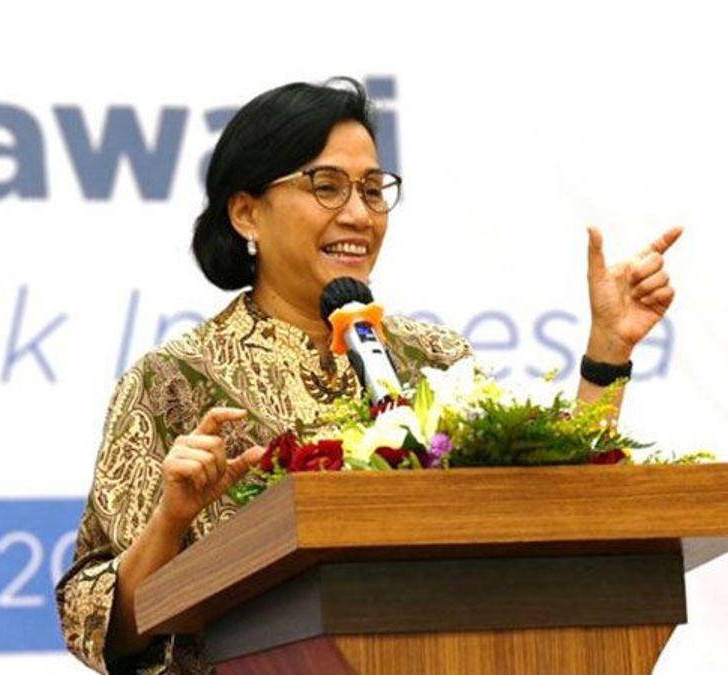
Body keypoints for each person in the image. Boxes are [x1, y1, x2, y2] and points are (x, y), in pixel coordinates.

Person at [55, 77, 680, 675]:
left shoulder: (436, 360)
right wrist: (171, 521)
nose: (359, 214)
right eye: (326, 187)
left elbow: (549, 519)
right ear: (246, 213)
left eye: (374, 190)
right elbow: (98, 626)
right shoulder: (174, 382)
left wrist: (607, 353)